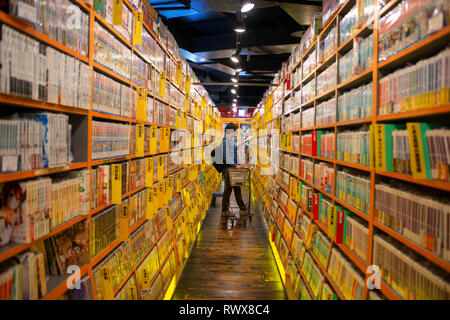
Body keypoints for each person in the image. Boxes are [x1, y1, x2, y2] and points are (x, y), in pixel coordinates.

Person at [211, 123, 247, 218]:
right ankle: (230, 210)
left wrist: (238, 146)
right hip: (230, 170)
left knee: (234, 189)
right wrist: (236, 166)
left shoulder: (229, 141)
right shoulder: (226, 142)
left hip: (231, 169)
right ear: (231, 132)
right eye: (235, 132)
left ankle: (239, 209)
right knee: (229, 190)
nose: (236, 133)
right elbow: (226, 158)